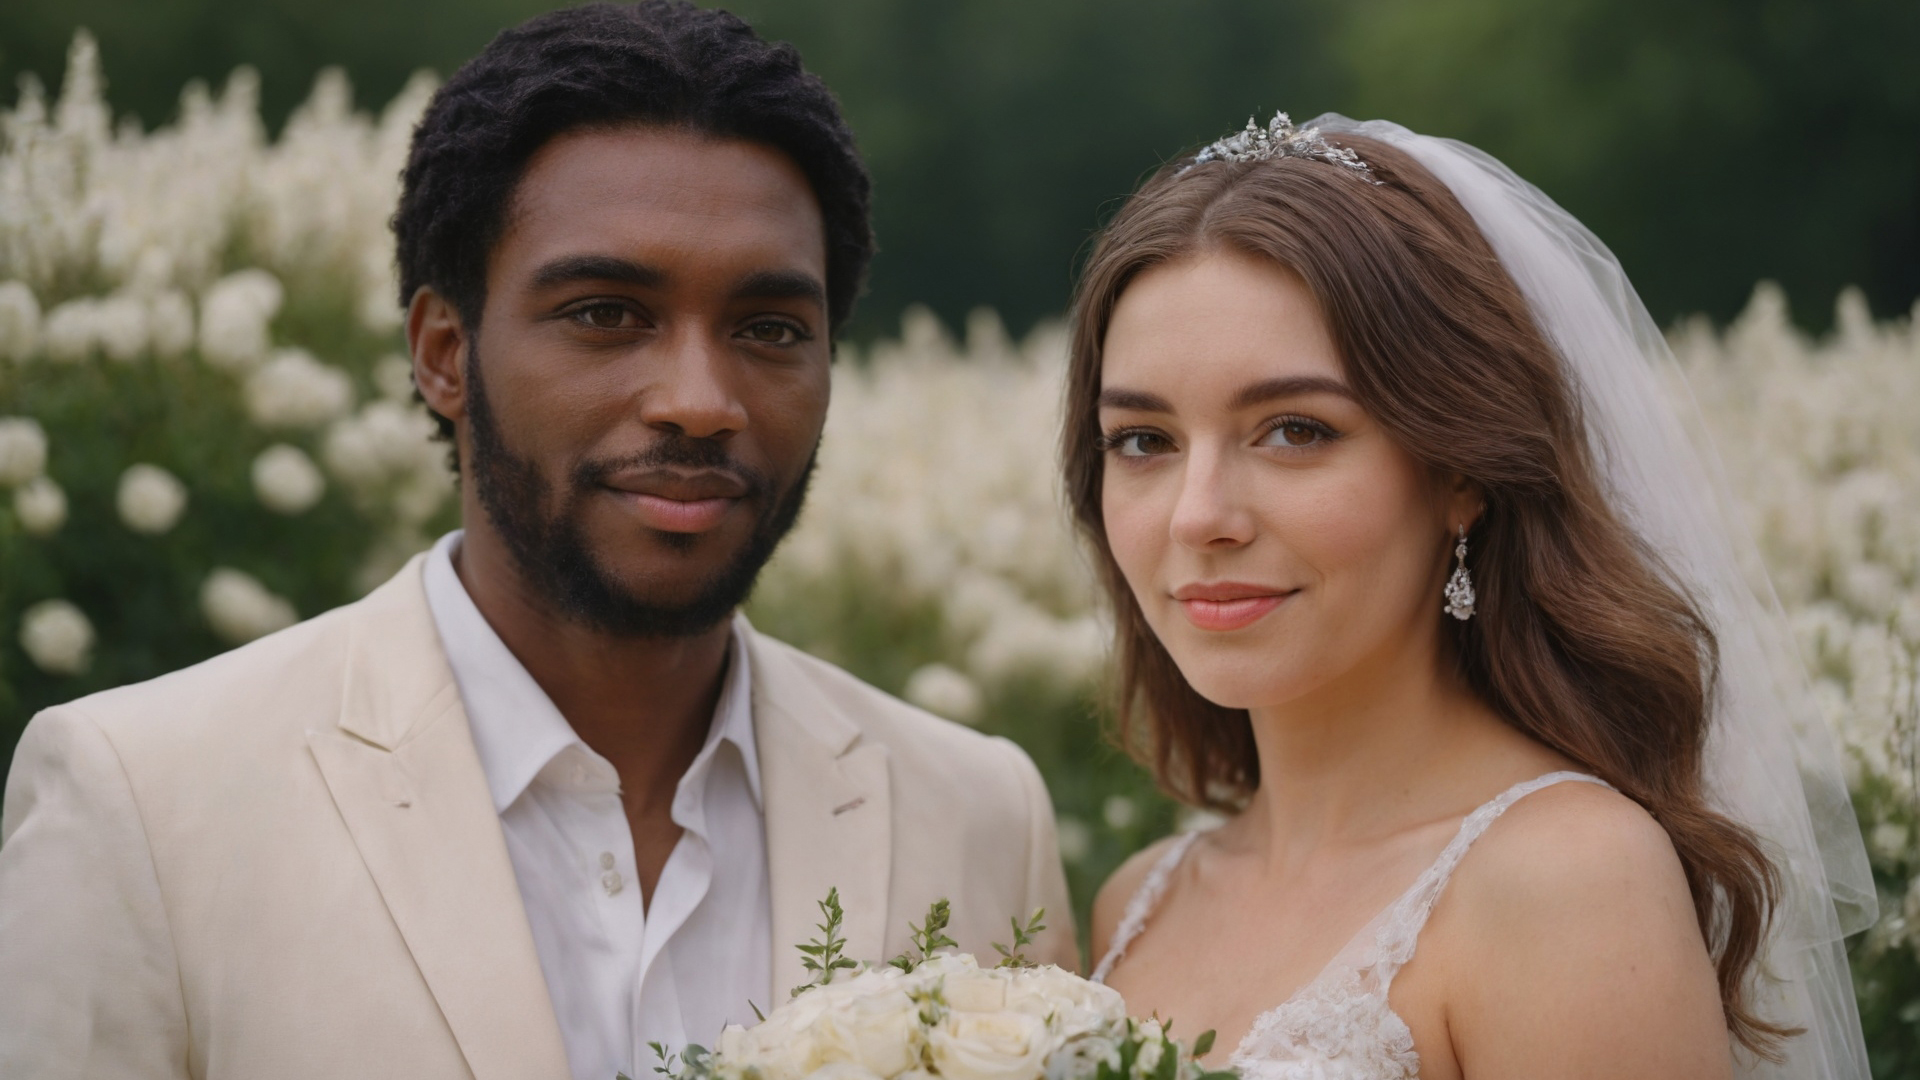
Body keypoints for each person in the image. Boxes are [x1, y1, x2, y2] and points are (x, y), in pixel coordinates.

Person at [0, 5, 1074, 1078]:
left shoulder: (979, 815)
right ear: (443, 353)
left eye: (768, 329)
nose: (700, 403)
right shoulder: (140, 803)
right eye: (607, 314)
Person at [1070, 115, 1873, 1079]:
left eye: (1294, 430)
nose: (1199, 517)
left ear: (1462, 472)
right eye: (1144, 441)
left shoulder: (1568, 883)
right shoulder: (1138, 904)